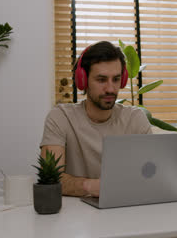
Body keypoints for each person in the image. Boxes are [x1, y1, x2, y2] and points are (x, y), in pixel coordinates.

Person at [40, 41, 152, 197]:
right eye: (101, 79)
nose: (111, 89)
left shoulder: (135, 118)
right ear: (83, 81)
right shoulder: (60, 117)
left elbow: (151, 175)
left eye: (116, 79)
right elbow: (50, 179)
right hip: (73, 216)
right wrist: (91, 187)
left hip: (125, 212)